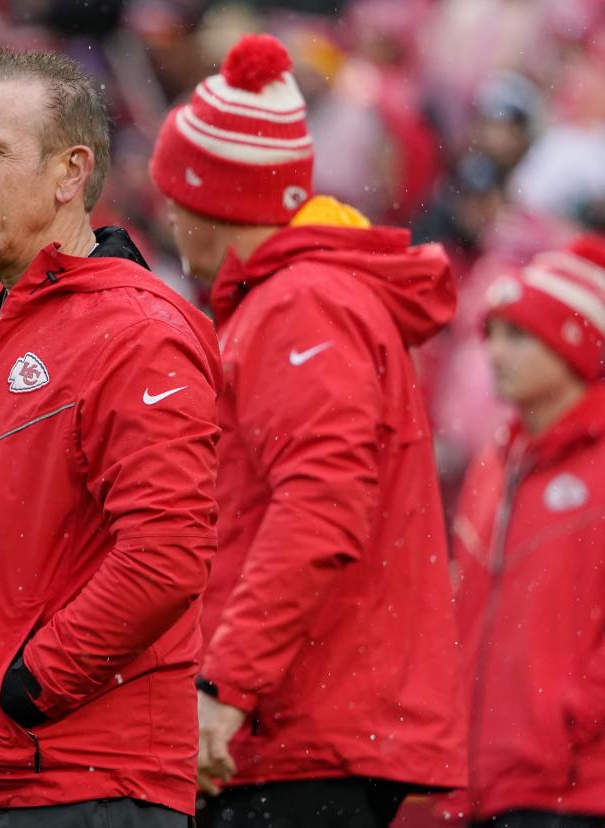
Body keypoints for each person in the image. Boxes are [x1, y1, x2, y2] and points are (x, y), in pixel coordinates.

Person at [0, 49, 223, 828]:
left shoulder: (137, 330)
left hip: (78, 787)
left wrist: (27, 689)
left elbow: (166, 554)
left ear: (72, 173)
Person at [148, 34, 466, 827]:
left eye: (173, 193)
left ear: (207, 196)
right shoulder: (291, 299)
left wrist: (225, 687)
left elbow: (317, 508)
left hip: (306, 729)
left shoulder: (300, 303)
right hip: (299, 726)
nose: (165, 212)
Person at [454, 237, 605, 828]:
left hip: (578, 789)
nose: (494, 353)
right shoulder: (493, 462)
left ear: (575, 343)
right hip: (486, 783)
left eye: (518, 335)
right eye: (490, 334)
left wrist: (570, 719)